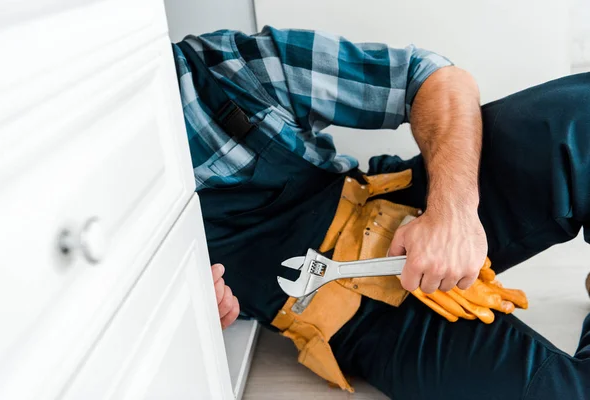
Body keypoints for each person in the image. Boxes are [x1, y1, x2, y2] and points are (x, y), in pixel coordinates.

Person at [173, 26, 590, 399]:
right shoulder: (110, 216)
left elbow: (437, 78)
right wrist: (196, 316)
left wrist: (453, 213)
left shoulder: (225, 68)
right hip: (350, 318)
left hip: (404, 203)